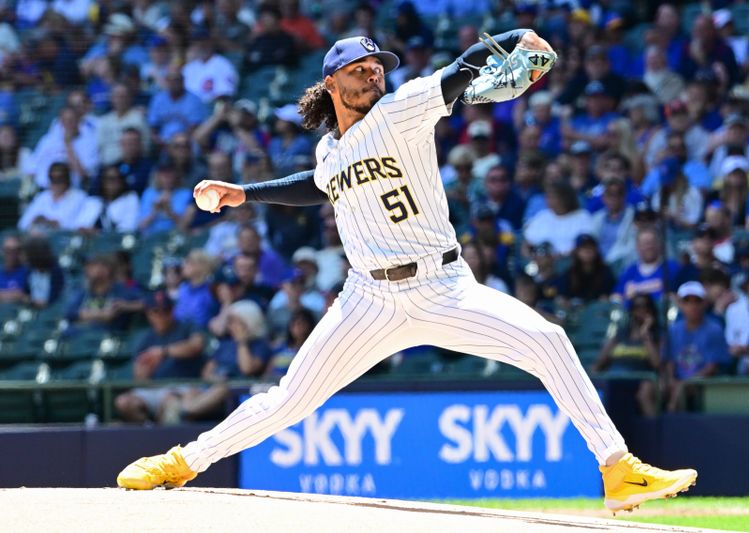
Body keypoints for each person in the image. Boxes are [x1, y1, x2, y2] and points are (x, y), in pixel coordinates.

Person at [118, 32, 697, 512]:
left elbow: (461, 69)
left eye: (377, 66)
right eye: (360, 67)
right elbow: (316, 187)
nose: (373, 73)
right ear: (331, 82)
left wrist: (516, 38)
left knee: (548, 341)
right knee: (289, 399)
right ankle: (181, 462)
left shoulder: (402, 109)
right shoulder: (329, 151)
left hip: (442, 285)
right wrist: (245, 193)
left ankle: (618, 469)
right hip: (367, 298)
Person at [161, 299, 271, 424]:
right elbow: (206, 371)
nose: (231, 326)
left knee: (223, 387)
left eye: (236, 322)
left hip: (237, 389)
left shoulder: (260, 345)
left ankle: (186, 411)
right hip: (212, 386)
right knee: (191, 389)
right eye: (230, 322)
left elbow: (247, 369)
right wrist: (215, 378)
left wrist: (242, 342)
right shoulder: (225, 344)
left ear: (249, 322)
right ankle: (186, 414)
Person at [114, 290, 205, 424]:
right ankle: (149, 430)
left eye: (166, 310)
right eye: (156, 311)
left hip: (184, 387)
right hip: (155, 389)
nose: (161, 315)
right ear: (148, 313)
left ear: (172, 310)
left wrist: (164, 351)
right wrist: (146, 370)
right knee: (123, 402)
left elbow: (197, 345)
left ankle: (167, 441)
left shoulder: (186, 327)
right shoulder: (146, 339)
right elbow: (140, 380)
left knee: (171, 403)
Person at [661, 282, 730, 412]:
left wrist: (686, 383)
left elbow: (712, 367)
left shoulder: (714, 329)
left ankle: (672, 425)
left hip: (704, 382)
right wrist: (670, 379)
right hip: (677, 381)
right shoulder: (673, 330)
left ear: (704, 304)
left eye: (697, 301)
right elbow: (669, 360)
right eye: (687, 301)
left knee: (680, 391)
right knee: (650, 390)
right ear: (680, 304)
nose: (692, 306)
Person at [593, 293, 661, 417]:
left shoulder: (656, 336)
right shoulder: (621, 334)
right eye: (637, 306)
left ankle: (655, 432)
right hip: (614, 379)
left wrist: (646, 334)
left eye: (646, 306)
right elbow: (601, 361)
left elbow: (657, 363)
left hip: (638, 379)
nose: (642, 310)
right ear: (632, 310)